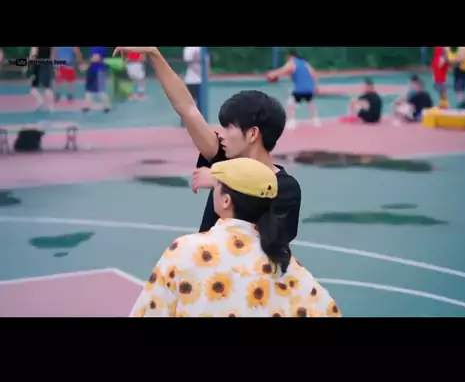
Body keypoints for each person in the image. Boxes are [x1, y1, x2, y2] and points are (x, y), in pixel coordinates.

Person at [113, 46, 302, 242]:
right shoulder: (224, 160)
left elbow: (271, 243)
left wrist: (221, 181)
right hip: (206, 260)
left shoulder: (285, 188)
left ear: (252, 134)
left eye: (229, 128)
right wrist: (154, 54)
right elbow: (187, 108)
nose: (222, 134)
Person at [130, 157, 341, 319]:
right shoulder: (287, 265)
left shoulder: (185, 251)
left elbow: (149, 310)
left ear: (226, 201)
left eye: (217, 185)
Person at [267, 50, 320, 130]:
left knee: (290, 103)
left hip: (299, 88)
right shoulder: (305, 63)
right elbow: (314, 74)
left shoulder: (292, 63)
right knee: (310, 102)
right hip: (309, 88)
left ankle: (292, 121)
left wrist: (273, 74)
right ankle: (316, 120)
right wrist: (315, 86)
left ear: (290, 56)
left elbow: (283, 70)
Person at [83, 46, 111, 112]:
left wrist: (87, 63)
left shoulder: (99, 48)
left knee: (101, 90)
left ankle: (107, 106)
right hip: (93, 70)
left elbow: (97, 58)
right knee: (89, 90)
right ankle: (87, 106)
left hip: (99, 71)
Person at [30, 46, 56, 111]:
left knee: (33, 88)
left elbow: (33, 53)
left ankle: (40, 99)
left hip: (38, 65)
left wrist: (31, 61)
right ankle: (50, 105)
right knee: (48, 88)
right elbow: (53, 54)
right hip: (47, 64)